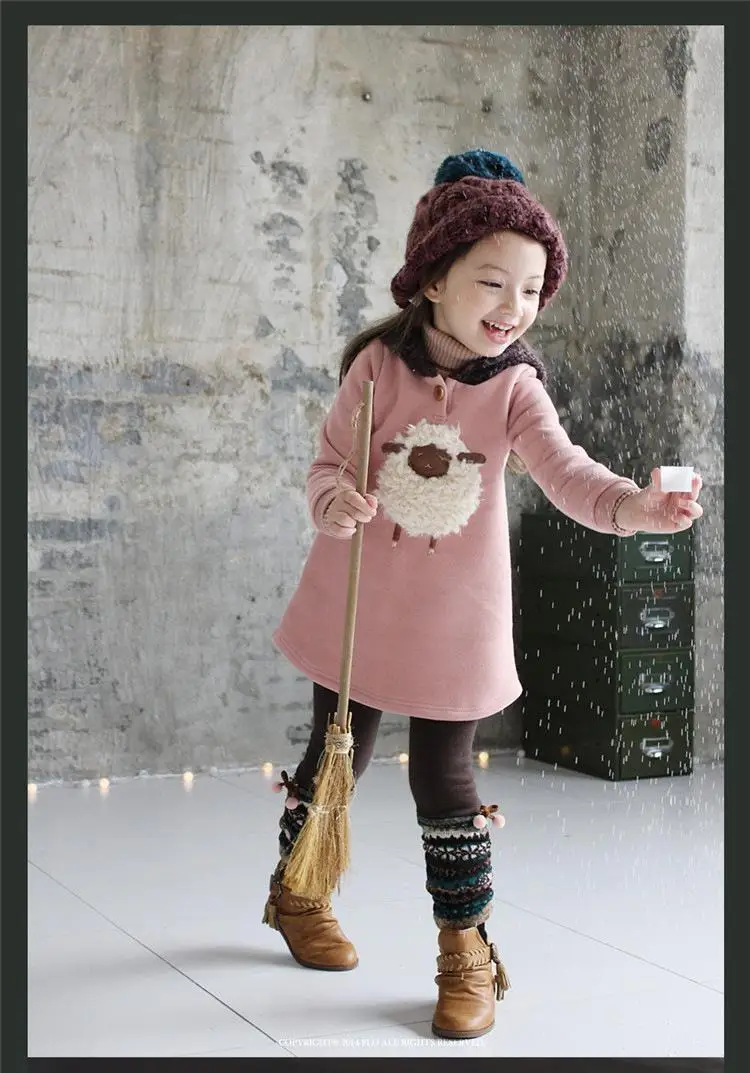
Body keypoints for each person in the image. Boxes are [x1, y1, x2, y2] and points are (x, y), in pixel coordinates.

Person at [262, 149, 704, 1040]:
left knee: (446, 776)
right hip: (359, 605)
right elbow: (326, 465)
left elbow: (567, 473)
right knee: (336, 754)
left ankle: (465, 949)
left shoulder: (514, 388)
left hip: (455, 622)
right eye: (493, 283)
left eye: (532, 290)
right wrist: (333, 499)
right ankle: (299, 891)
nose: (514, 307)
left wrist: (634, 506)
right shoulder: (376, 368)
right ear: (433, 280)